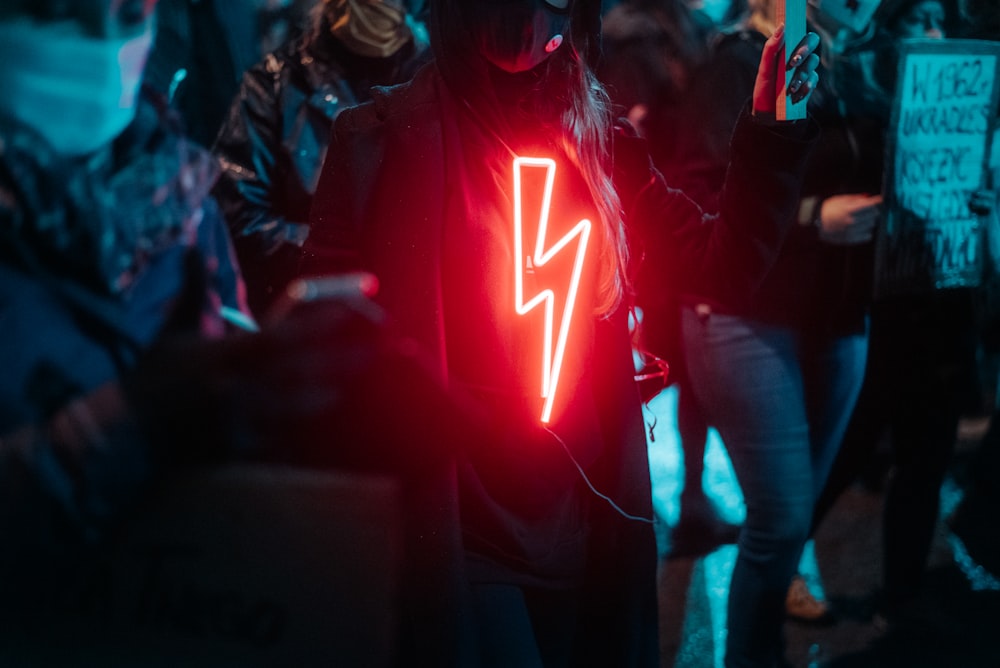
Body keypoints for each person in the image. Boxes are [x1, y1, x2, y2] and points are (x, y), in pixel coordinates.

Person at [302, 0, 821, 664]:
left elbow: (724, 264)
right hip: (461, 523)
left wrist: (774, 129)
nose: (531, 24)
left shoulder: (598, 137)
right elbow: (332, 348)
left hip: (583, 512)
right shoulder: (378, 141)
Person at [0, 1, 478, 662]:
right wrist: (132, 420)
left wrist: (301, 404)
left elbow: (225, 366)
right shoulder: (271, 88)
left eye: (129, 12)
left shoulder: (171, 195)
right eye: (72, 12)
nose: (108, 46)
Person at [656, 0, 887, 657]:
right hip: (748, 317)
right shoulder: (737, 62)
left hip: (837, 313)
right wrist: (816, 216)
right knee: (782, 519)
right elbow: (697, 198)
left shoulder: (862, 68)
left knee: (796, 513)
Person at [809, 0, 999, 631]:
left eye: (940, 21)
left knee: (928, 449)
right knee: (848, 443)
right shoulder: (858, 92)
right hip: (879, 303)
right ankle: (780, 561)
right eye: (920, 23)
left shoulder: (961, 98)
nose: (936, 36)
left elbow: (971, 175)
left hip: (942, 300)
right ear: (892, 31)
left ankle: (904, 590)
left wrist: (981, 197)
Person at [213, 0, 430, 316]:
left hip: (414, 314)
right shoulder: (273, 85)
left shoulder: (436, 82)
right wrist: (333, 251)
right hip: (307, 315)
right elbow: (240, 213)